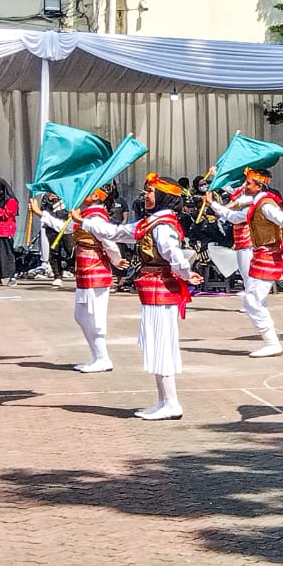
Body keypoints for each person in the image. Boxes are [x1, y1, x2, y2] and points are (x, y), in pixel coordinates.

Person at [92, 173, 198, 420]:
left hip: (161, 288)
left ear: (163, 196)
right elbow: (116, 232)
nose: (145, 196)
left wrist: (186, 273)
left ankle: (171, 402)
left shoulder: (162, 226)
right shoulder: (150, 223)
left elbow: (173, 254)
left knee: (161, 344)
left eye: (150, 192)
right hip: (152, 288)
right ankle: (163, 401)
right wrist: (85, 222)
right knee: (155, 343)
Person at [208, 167, 283, 357]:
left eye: (248, 183)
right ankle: (271, 340)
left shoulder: (266, 206)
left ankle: (272, 343)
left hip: (268, 256)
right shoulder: (255, 205)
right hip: (260, 255)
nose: (244, 186)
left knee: (252, 300)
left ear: (258, 186)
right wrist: (213, 204)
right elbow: (233, 217)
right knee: (254, 299)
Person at [67, 188, 124, 372]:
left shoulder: (96, 217)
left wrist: (116, 259)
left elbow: (108, 241)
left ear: (96, 196)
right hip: (85, 269)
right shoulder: (85, 215)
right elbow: (65, 227)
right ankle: (97, 356)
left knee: (94, 316)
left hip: (95, 268)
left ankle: (102, 358)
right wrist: (41, 214)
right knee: (81, 315)